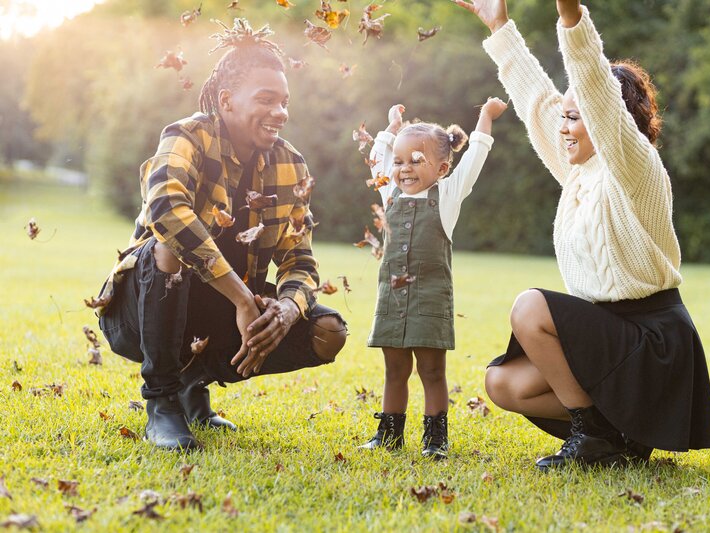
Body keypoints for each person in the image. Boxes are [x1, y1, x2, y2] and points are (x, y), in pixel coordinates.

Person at [454, 0, 710, 469]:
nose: (564, 125)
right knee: (503, 384)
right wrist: (499, 25)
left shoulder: (634, 167)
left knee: (530, 306)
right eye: (565, 116)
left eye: (575, 117)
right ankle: (618, 435)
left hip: (652, 340)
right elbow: (537, 101)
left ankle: (593, 434)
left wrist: (570, 15)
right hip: (611, 336)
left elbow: (596, 90)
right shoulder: (580, 174)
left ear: (604, 120)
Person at [94, 19, 347, 450]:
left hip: (221, 313)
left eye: (284, 101)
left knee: (328, 332)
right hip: (136, 311)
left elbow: (299, 261)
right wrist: (244, 300)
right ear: (226, 100)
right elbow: (167, 211)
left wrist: (285, 309)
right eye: (266, 99)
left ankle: (195, 384)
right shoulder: (186, 136)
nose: (280, 112)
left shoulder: (292, 165)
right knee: (170, 250)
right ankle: (162, 401)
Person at [360, 98, 507, 459]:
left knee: (431, 371)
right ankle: (389, 434)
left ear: (442, 167)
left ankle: (435, 440)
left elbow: (474, 159)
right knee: (394, 370)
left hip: (430, 299)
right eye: (399, 161)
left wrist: (485, 118)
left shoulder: (447, 197)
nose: (404, 168)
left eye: (416, 160)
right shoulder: (388, 190)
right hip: (391, 299)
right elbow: (377, 155)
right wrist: (390, 128)